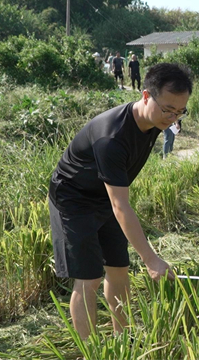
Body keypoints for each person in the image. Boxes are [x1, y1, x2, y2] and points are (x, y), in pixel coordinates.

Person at [48, 63, 191, 340]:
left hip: (104, 194)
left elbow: (117, 199)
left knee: (119, 270)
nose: (172, 118)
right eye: (167, 109)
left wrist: (148, 257)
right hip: (73, 198)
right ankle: (91, 350)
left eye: (179, 112)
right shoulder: (111, 137)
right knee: (89, 278)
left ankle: (122, 339)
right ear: (146, 95)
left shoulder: (154, 121)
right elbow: (121, 205)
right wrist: (151, 259)